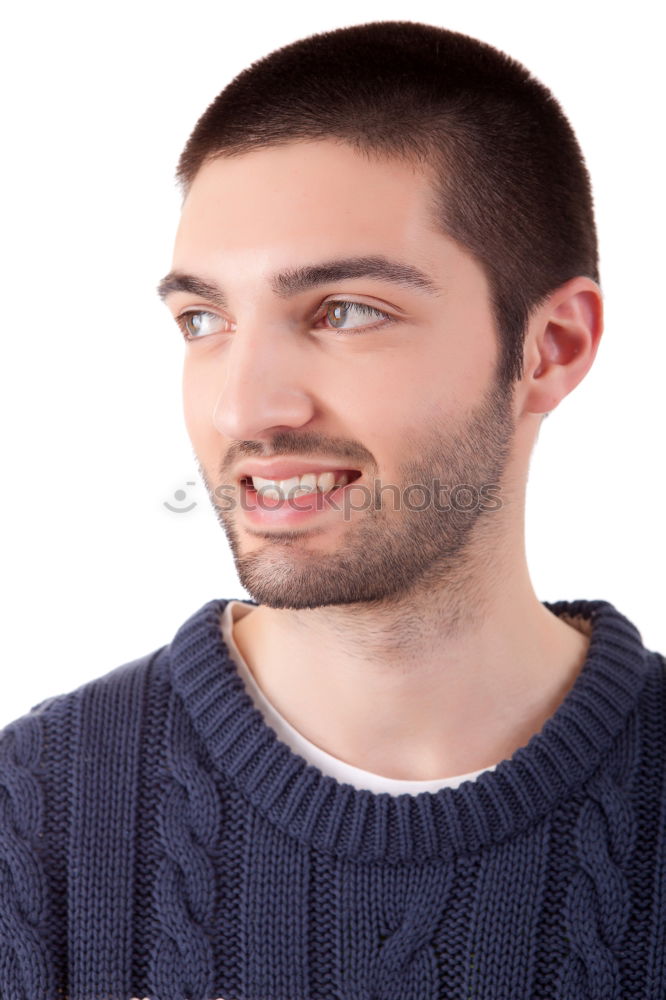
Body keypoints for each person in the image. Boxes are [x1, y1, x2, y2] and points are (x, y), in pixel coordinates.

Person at [1, 18, 664, 1000]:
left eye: (345, 310)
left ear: (552, 346)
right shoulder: (33, 816)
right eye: (204, 320)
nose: (245, 406)